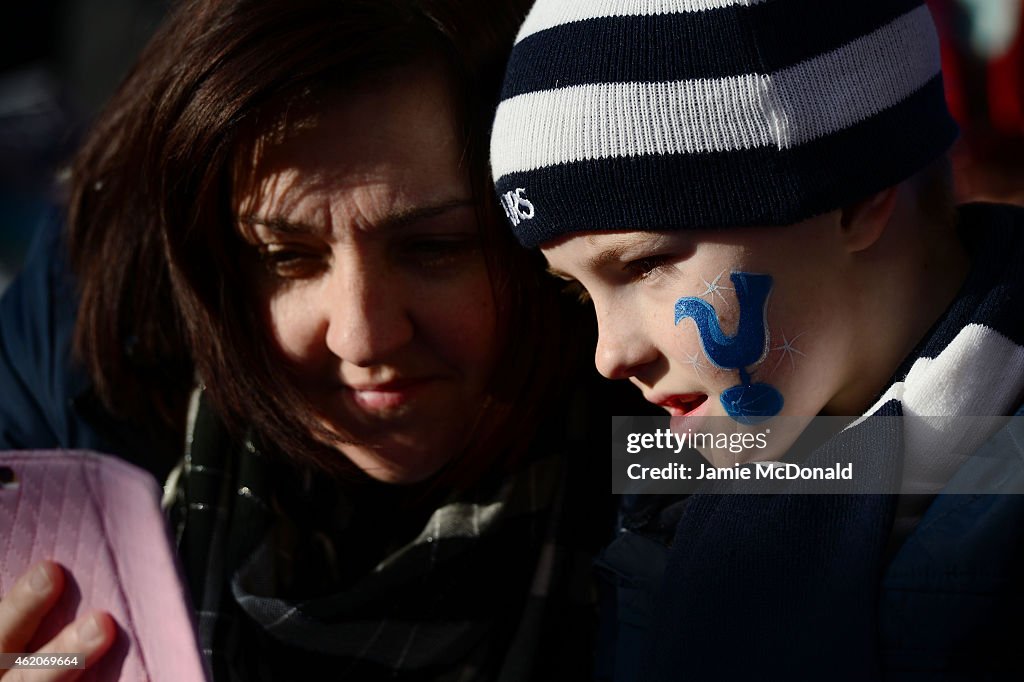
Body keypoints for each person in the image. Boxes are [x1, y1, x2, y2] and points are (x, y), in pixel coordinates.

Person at [0, 0, 610, 679]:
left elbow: (747, 462)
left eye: (437, 247)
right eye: (287, 257)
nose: (362, 337)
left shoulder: (668, 401)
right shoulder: (79, 377)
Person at [490, 0, 1024, 679]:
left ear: (855, 196)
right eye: (575, 289)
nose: (610, 354)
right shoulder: (669, 482)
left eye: (646, 263)